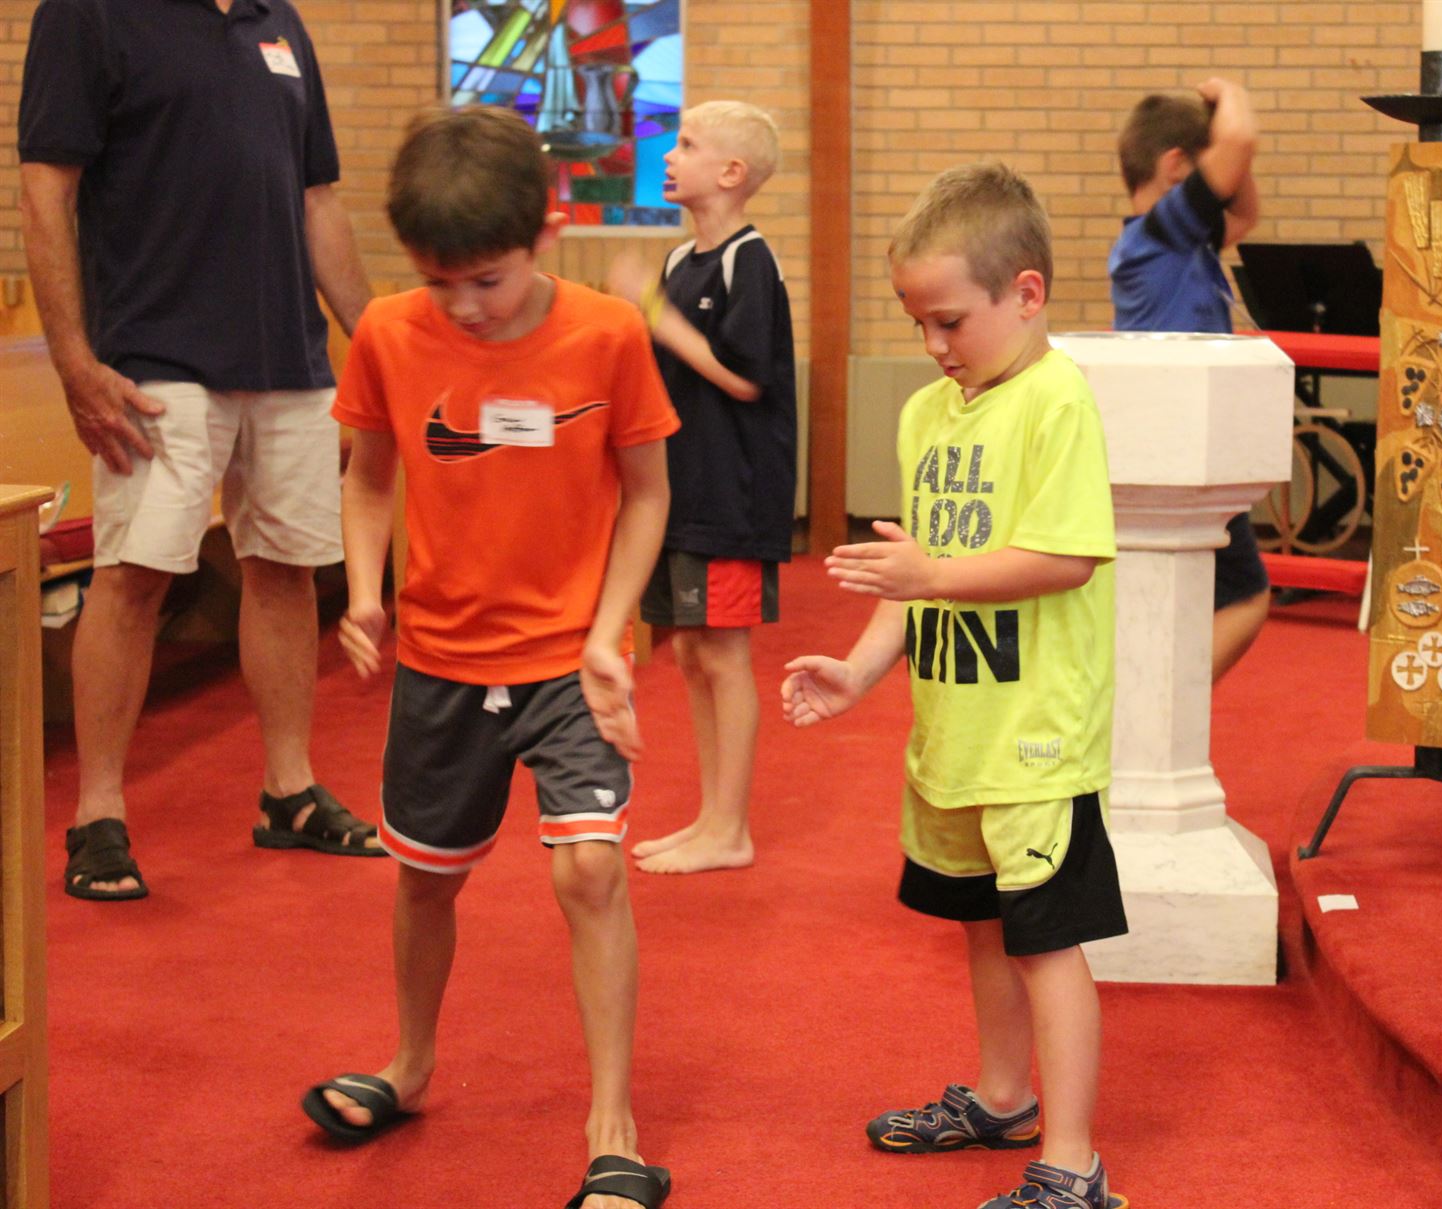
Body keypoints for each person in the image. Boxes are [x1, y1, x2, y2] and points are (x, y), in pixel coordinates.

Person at [301, 107, 679, 1209]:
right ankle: (410, 1065)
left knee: (589, 869)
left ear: (545, 232)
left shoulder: (608, 333)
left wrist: (608, 631)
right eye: (440, 281)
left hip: (568, 658)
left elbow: (647, 495)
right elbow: (370, 476)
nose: (465, 305)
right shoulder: (387, 332)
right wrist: (362, 592)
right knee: (425, 876)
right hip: (440, 659)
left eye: (488, 280)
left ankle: (612, 1122)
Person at [782, 163, 1130, 1209]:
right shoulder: (929, 414)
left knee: (1044, 943)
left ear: (1025, 294)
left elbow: (1065, 557)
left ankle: (1071, 1163)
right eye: (917, 323)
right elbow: (917, 573)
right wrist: (858, 668)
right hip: (954, 732)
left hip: (1034, 736)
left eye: (949, 321)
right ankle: (1003, 1096)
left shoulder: (1056, 401)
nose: (933, 344)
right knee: (982, 924)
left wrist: (927, 574)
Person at [18, 0, 378, 900]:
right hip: (154, 355)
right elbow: (46, 190)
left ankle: (289, 789)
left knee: (287, 569)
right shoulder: (90, 12)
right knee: (134, 576)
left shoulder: (276, 19)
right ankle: (98, 814)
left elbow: (317, 201)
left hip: (289, 355)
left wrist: (379, 349)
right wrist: (74, 360)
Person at [606, 101, 796, 876]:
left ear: (731, 173)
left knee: (722, 653)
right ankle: (712, 816)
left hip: (733, 491)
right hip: (681, 487)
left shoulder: (749, 259)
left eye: (685, 144)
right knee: (689, 651)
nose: (668, 154)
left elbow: (745, 376)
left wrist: (651, 310)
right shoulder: (683, 259)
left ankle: (731, 827)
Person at [1110, 78, 1266, 682]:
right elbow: (1240, 137)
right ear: (1177, 167)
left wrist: (1229, 159)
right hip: (1174, 446)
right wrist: (1228, 94)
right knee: (1244, 597)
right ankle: (1158, 708)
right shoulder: (1162, 234)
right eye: (1209, 166)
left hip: (1186, 447)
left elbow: (1245, 212)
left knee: (1191, 597)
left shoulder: (1178, 241)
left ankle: (1153, 704)